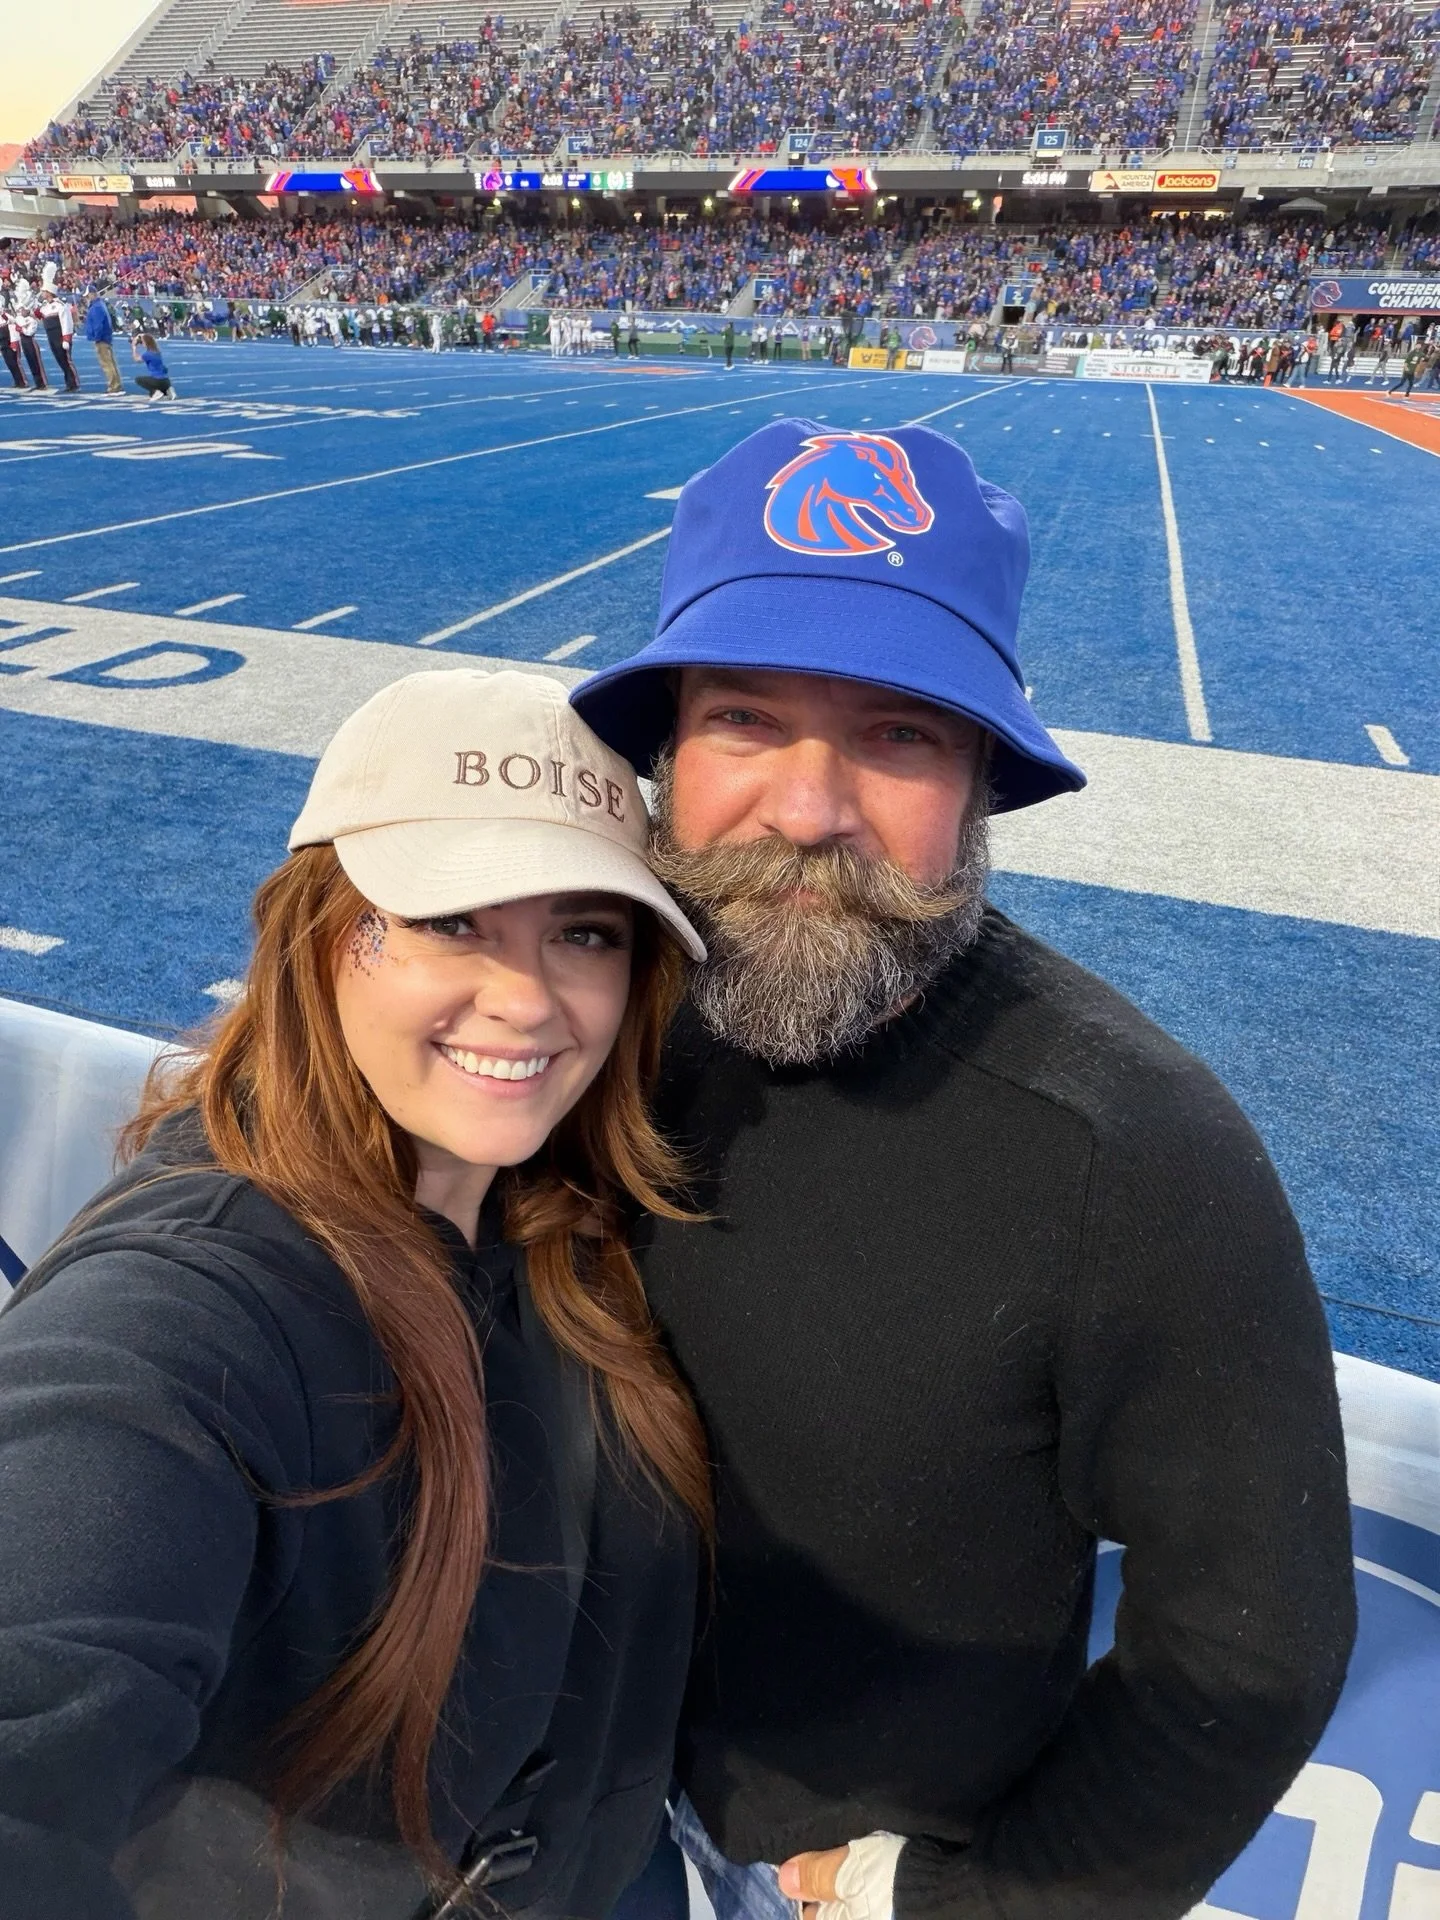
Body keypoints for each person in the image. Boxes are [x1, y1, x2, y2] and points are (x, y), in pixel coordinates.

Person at [573, 419, 1357, 1920]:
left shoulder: (1131, 1152)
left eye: (897, 735)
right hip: (532, 1818)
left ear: (981, 781)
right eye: (745, 720)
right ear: (668, 750)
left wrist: (962, 1905)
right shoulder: (568, 1027)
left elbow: (1253, 1651)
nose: (808, 809)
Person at [0, 668, 710, 1920]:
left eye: (585, 932)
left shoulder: (557, 1213)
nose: (530, 996)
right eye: (453, 921)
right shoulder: (197, 1304)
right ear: (322, 936)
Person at [132, 330, 176, 399]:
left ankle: (156, 392)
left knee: (138, 379)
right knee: (153, 391)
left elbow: (137, 359)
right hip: (166, 381)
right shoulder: (157, 352)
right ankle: (168, 390)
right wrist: (140, 336)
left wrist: (134, 347)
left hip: (158, 381)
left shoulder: (147, 354)